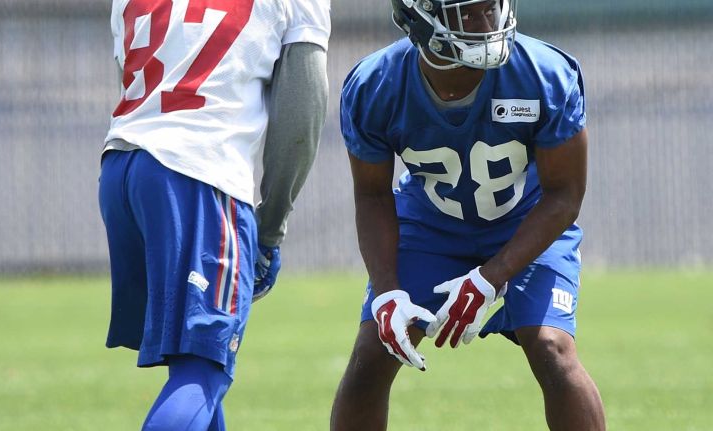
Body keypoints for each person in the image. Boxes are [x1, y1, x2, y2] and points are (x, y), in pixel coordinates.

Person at [330, 0, 605, 430]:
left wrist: (491, 276)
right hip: (432, 224)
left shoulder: (543, 73)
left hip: (526, 218)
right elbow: (371, 195)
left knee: (552, 349)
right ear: (422, 18)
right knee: (372, 357)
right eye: (468, 13)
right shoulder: (375, 85)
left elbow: (565, 195)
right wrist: (386, 292)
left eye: (490, 9)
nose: (487, 23)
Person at [98, 0, 330, 429]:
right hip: (199, 176)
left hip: (122, 171)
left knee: (193, 360)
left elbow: (131, 81)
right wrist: (272, 225)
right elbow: (302, 112)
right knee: (203, 369)